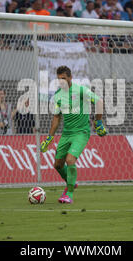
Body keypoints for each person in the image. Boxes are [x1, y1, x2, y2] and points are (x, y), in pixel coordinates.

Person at [39, 66, 106, 204]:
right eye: (59, 79)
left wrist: (98, 122)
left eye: (63, 78)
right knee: (57, 165)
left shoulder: (80, 90)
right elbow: (56, 118)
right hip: (66, 134)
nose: (61, 81)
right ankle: (71, 182)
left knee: (70, 160)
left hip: (81, 132)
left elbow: (99, 102)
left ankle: (69, 193)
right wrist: (49, 138)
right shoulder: (57, 95)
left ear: (70, 78)